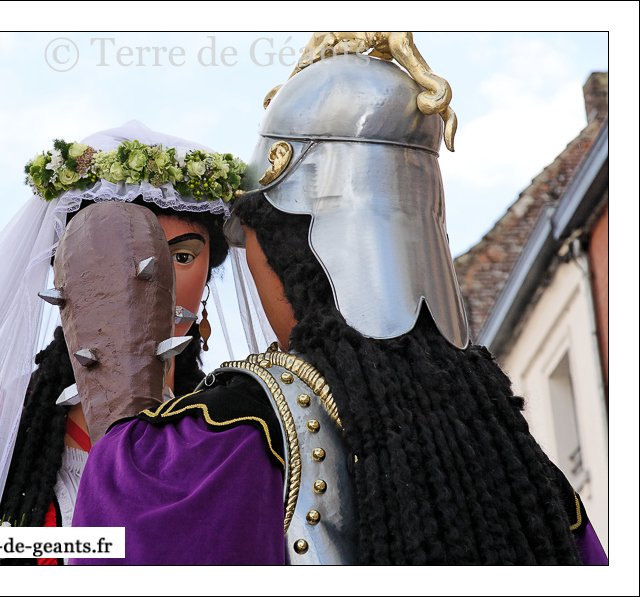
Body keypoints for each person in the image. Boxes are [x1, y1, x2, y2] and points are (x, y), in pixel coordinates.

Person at [69, 34, 608, 565]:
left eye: (250, 239)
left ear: (285, 252)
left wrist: (123, 420)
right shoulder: (529, 475)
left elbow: (131, 539)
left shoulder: (219, 442)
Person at [0, 120, 244, 565]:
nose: (150, 279)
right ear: (67, 278)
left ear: (208, 278)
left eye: (182, 256)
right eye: (117, 256)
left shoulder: (234, 439)